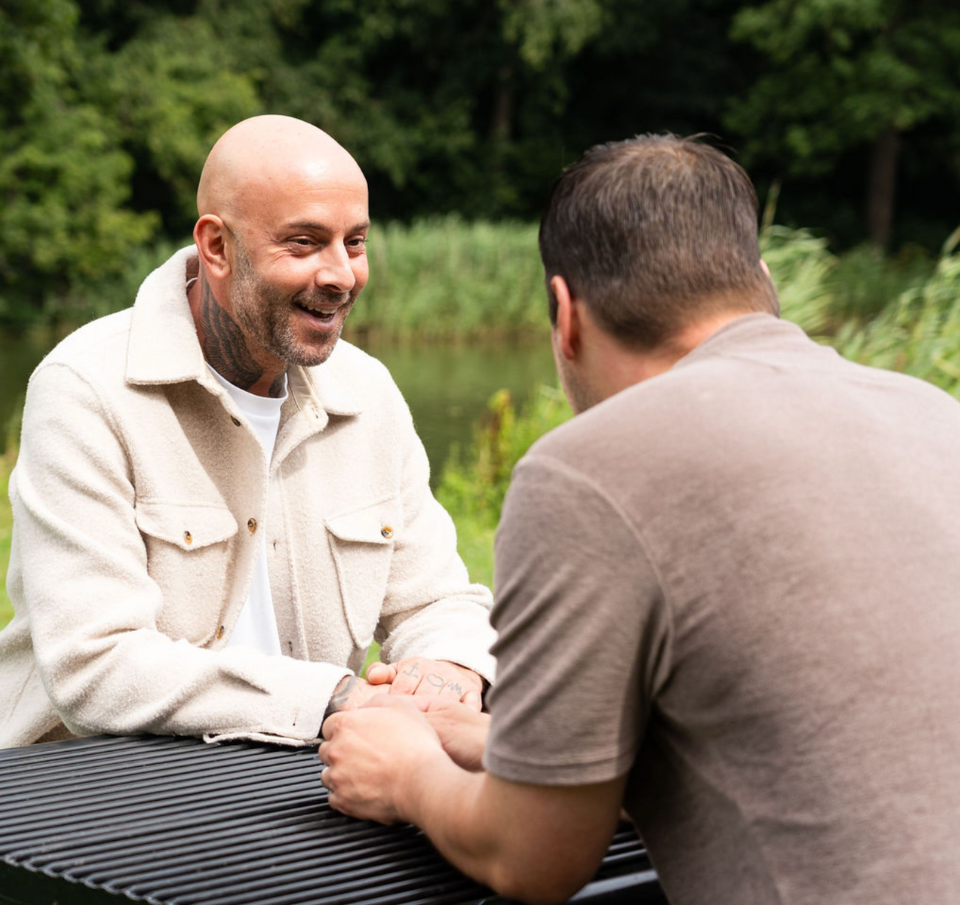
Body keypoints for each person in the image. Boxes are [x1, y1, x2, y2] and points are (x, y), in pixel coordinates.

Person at [318, 134, 960, 905]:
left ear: (566, 316)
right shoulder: (932, 414)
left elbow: (533, 856)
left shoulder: (586, 469)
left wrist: (407, 771)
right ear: (761, 283)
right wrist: (498, 745)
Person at [0, 115, 496, 752]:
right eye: (304, 243)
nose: (341, 274)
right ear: (217, 247)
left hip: (299, 768)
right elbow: (95, 666)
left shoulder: (369, 392)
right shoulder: (85, 388)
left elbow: (437, 601)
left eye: (354, 243)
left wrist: (447, 670)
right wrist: (333, 699)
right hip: (86, 781)